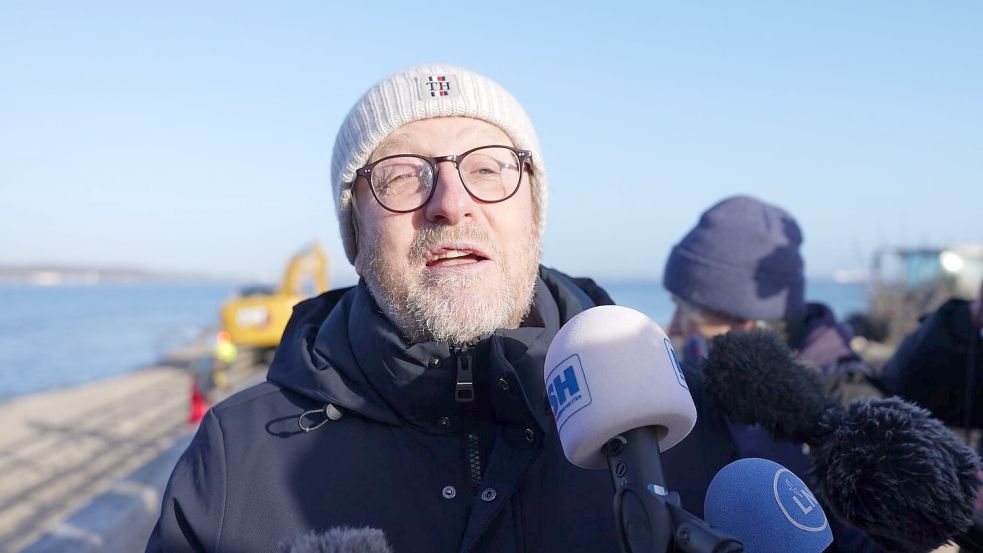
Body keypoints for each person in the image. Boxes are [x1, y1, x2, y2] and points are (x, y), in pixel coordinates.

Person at [146, 65, 620, 553]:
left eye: (486, 168)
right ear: (355, 236)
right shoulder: (236, 460)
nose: (451, 203)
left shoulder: (672, 424)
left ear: (535, 215)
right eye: (402, 176)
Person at [656, 195, 885, 552]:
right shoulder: (695, 380)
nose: (675, 327)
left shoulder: (851, 408)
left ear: (748, 321)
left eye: (690, 310)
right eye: (674, 305)